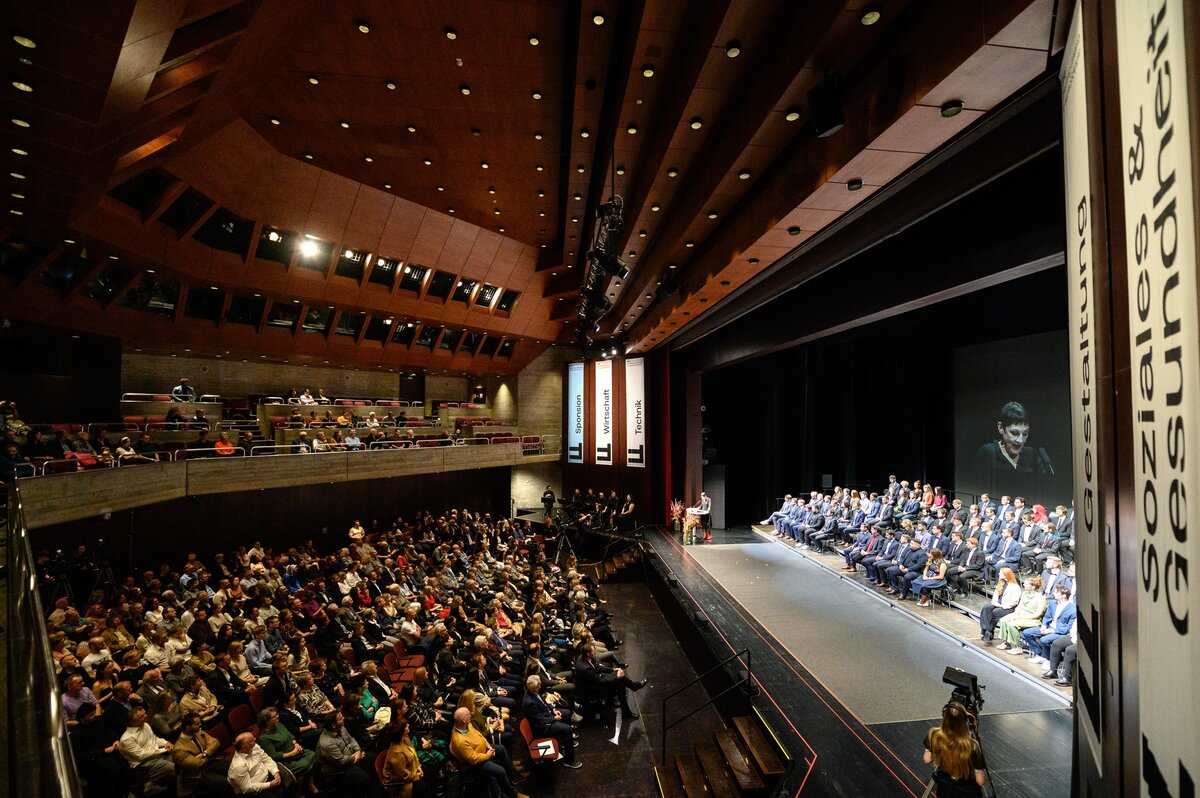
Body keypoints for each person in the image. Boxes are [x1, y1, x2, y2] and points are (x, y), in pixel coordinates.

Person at [448, 707, 527, 798]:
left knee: (501, 749)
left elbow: (480, 736)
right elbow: (473, 759)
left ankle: (513, 775)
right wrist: (488, 755)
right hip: (474, 765)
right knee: (500, 771)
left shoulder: (467, 725)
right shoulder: (459, 741)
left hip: (483, 751)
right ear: (464, 720)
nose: (471, 714)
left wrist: (489, 747)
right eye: (468, 714)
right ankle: (513, 794)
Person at [923, 701, 986, 797]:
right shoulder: (973, 746)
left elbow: (927, 759)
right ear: (964, 721)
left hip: (945, 789)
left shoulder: (933, 734)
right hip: (967, 792)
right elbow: (980, 781)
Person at [973, 401, 1052, 477]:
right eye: (1014, 433)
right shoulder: (988, 452)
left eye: (1025, 433)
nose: (1020, 440)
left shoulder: (1032, 454)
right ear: (1001, 428)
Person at [522, 674, 580, 768]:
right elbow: (540, 721)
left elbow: (544, 703)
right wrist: (554, 718)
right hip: (543, 727)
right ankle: (569, 761)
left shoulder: (534, 691)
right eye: (539, 685)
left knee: (568, 712)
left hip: (547, 715)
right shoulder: (529, 703)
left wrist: (553, 710)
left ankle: (565, 741)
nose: (541, 686)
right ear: (533, 688)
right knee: (568, 729)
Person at [118, 706, 177, 795]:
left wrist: (166, 743)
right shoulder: (127, 739)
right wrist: (164, 750)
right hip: (144, 765)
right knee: (175, 767)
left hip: (157, 755)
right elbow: (141, 756)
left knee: (180, 757)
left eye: (145, 713)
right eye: (141, 716)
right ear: (132, 721)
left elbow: (155, 739)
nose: (146, 716)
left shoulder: (145, 725)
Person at [173, 711, 231, 796]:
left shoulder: (199, 732)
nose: (200, 725)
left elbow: (216, 742)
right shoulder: (179, 749)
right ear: (188, 728)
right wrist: (210, 751)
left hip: (211, 763)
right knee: (227, 783)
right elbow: (198, 764)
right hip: (198, 775)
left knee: (237, 767)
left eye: (200, 722)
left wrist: (205, 753)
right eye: (197, 724)